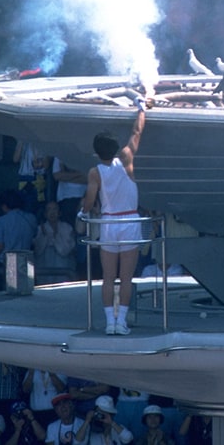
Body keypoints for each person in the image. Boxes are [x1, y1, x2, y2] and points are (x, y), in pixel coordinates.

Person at [80, 104, 146, 336]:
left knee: (108, 278)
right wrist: (141, 109)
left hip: (108, 223)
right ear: (116, 148)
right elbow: (136, 133)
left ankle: (110, 323)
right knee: (125, 278)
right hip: (130, 221)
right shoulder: (126, 157)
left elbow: (89, 202)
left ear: (97, 153)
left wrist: (83, 211)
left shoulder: (95, 172)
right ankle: (122, 322)